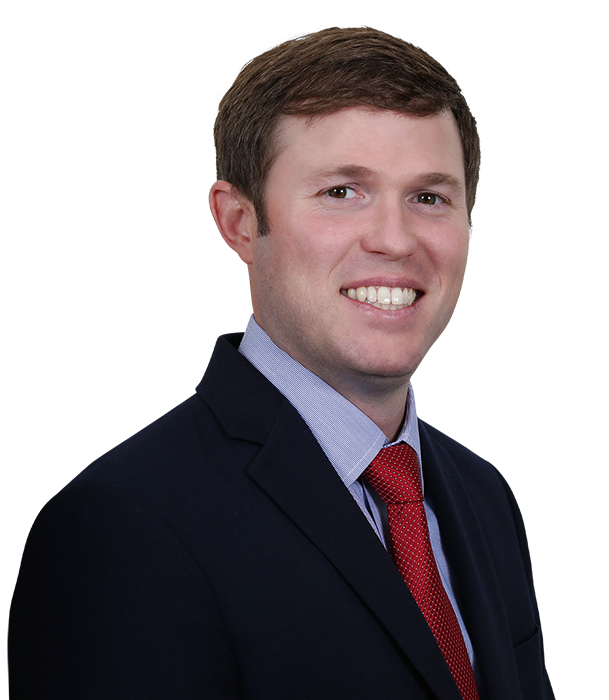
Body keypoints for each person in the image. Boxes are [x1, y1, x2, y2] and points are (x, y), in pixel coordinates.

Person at [8, 26, 553, 699]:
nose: (395, 239)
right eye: (342, 192)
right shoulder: (120, 526)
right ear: (239, 222)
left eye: (429, 197)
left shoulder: (481, 494)